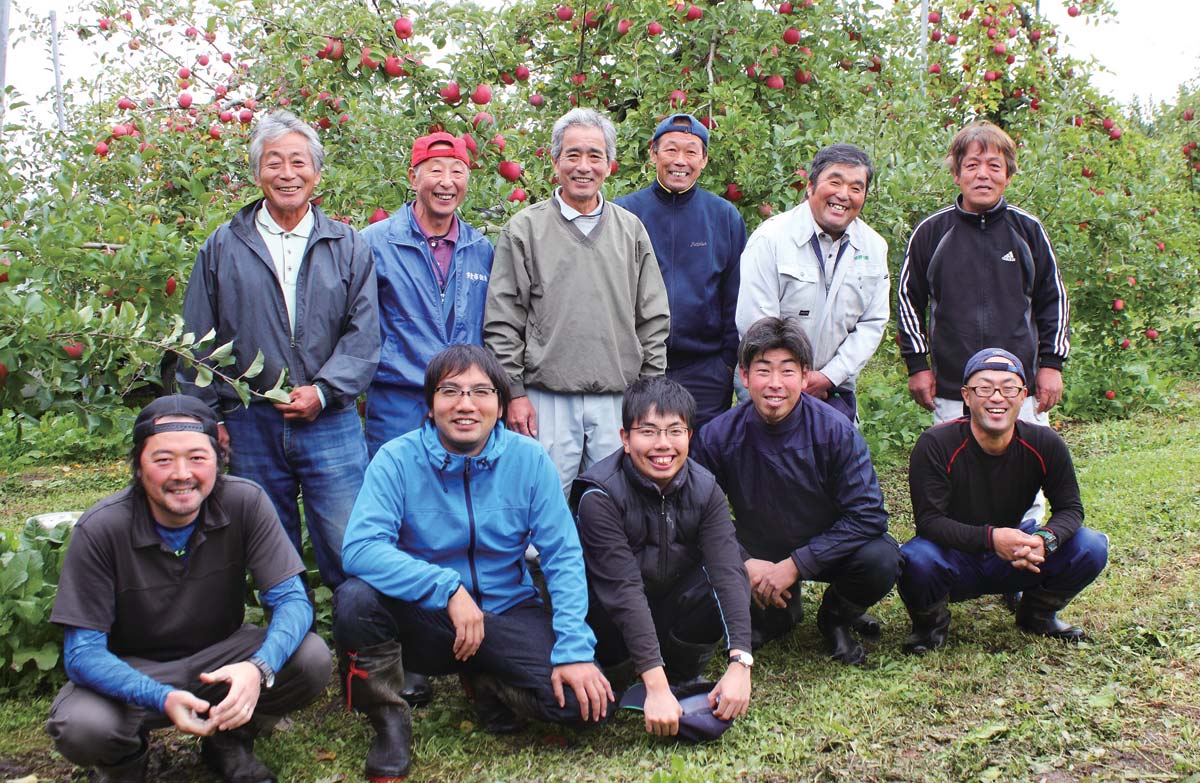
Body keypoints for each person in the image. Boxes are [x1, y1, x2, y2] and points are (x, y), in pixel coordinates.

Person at [332, 345, 614, 782]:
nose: (465, 404)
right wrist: (445, 588)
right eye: (451, 391)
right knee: (355, 599)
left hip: (507, 610)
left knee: (583, 706)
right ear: (429, 406)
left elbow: (562, 554)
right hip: (430, 619)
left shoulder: (529, 460)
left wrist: (574, 647)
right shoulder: (396, 459)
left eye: (481, 391)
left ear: (500, 406)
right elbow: (361, 548)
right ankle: (389, 721)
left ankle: (486, 681)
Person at [46, 395, 331, 783]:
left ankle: (230, 739)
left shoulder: (245, 501)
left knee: (310, 658)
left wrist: (256, 667)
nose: (182, 473)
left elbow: (292, 600)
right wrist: (159, 696)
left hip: (221, 659)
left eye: (197, 457)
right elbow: (82, 652)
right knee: (82, 725)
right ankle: (123, 763)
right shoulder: (101, 528)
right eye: (163, 460)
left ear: (218, 458)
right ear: (138, 465)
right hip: (133, 667)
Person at [182, 110, 380, 589]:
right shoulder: (223, 246)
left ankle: (360, 651)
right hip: (250, 420)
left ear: (316, 172)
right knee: (268, 550)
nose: (287, 174)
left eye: (298, 162)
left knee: (350, 542)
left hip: (328, 420)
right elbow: (196, 340)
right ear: (256, 173)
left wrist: (326, 391)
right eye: (274, 163)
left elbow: (364, 332)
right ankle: (292, 655)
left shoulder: (346, 245)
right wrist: (211, 421)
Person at [692, 317, 901, 665]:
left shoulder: (836, 430)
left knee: (882, 557)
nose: (775, 384)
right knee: (692, 561)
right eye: (763, 370)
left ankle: (835, 617)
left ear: (805, 377)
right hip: (760, 549)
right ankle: (777, 613)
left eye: (787, 371)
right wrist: (744, 562)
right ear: (744, 377)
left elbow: (868, 514)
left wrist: (797, 564)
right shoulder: (717, 435)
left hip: (828, 544)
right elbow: (694, 512)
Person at [484, 107, 670, 494]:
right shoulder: (525, 229)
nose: (583, 166)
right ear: (555, 162)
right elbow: (503, 320)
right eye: (573, 155)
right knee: (540, 508)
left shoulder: (630, 230)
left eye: (594, 155)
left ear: (609, 165)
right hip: (545, 398)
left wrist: (650, 394)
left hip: (617, 398)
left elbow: (652, 317)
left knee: (616, 507)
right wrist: (513, 393)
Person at [571, 377, 752, 738]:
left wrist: (740, 663)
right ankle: (628, 674)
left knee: (730, 570)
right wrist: (655, 685)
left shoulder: (705, 488)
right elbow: (623, 591)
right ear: (625, 438)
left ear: (690, 436)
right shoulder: (600, 496)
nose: (662, 445)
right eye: (648, 432)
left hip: (672, 608)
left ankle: (684, 670)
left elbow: (727, 571)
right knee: (602, 596)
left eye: (674, 431)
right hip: (614, 621)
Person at [898, 349, 1108, 654]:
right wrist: (992, 538)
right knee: (914, 559)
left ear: (1023, 396)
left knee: (1091, 546)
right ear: (966, 397)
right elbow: (930, 521)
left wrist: (1044, 541)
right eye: (984, 387)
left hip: (1019, 553)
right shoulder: (936, 443)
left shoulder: (1045, 443)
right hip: (954, 556)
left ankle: (1037, 614)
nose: (997, 397)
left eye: (1009, 388)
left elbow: (1070, 509)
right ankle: (931, 626)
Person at [896, 120, 1070, 427]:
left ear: (1007, 176)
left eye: (994, 166)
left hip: (1020, 386)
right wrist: (917, 365)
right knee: (958, 470)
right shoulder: (931, 233)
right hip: (953, 388)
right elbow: (909, 302)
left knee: (1026, 468)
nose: (983, 175)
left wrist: (1052, 365)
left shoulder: (1028, 231)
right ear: (956, 174)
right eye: (972, 165)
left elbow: (1053, 299)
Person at [362, 131, 494, 457]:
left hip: (464, 403)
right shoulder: (374, 244)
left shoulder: (480, 249)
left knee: (461, 495)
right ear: (413, 177)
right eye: (435, 170)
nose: (447, 182)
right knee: (396, 496)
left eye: (457, 171)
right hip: (398, 401)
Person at [736, 144, 889, 422]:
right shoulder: (772, 239)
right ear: (810, 186)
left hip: (834, 388)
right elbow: (756, 321)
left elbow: (873, 323)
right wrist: (795, 377)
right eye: (835, 182)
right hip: (771, 385)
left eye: (856, 188)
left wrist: (829, 376)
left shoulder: (874, 248)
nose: (843, 195)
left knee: (832, 462)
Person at [614, 114, 745, 430]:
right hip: (636, 366)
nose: (680, 161)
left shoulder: (723, 216)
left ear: (704, 159)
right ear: (653, 153)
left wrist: (727, 363)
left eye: (691, 152)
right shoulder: (624, 213)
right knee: (640, 455)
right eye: (671, 150)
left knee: (700, 460)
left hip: (705, 369)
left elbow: (736, 294)